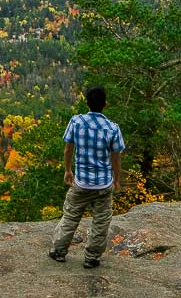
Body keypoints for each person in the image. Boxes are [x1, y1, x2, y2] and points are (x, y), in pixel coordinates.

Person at [48, 86, 125, 269]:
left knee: (70, 217)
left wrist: (68, 170)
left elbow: (68, 148)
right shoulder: (112, 128)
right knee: (101, 222)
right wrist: (116, 179)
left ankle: (59, 251)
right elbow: (116, 158)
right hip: (103, 185)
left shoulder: (76, 122)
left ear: (86, 102)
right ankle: (91, 258)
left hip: (81, 182)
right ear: (105, 104)